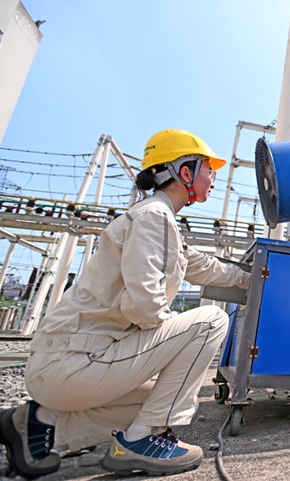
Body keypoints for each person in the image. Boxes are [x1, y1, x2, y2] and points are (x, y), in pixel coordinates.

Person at [0, 129, 250, 477]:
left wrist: (253, 278)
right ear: (185, 173)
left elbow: (203, 266)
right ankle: (143, 439)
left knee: (168, 393)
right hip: (74, 362)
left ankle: (40, 422)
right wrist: (173, 349)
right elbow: (145, 309)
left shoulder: (157, 222)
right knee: (210, 322)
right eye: (208, 168)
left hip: (65, 368)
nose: (214, 178)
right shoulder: (154, 218)